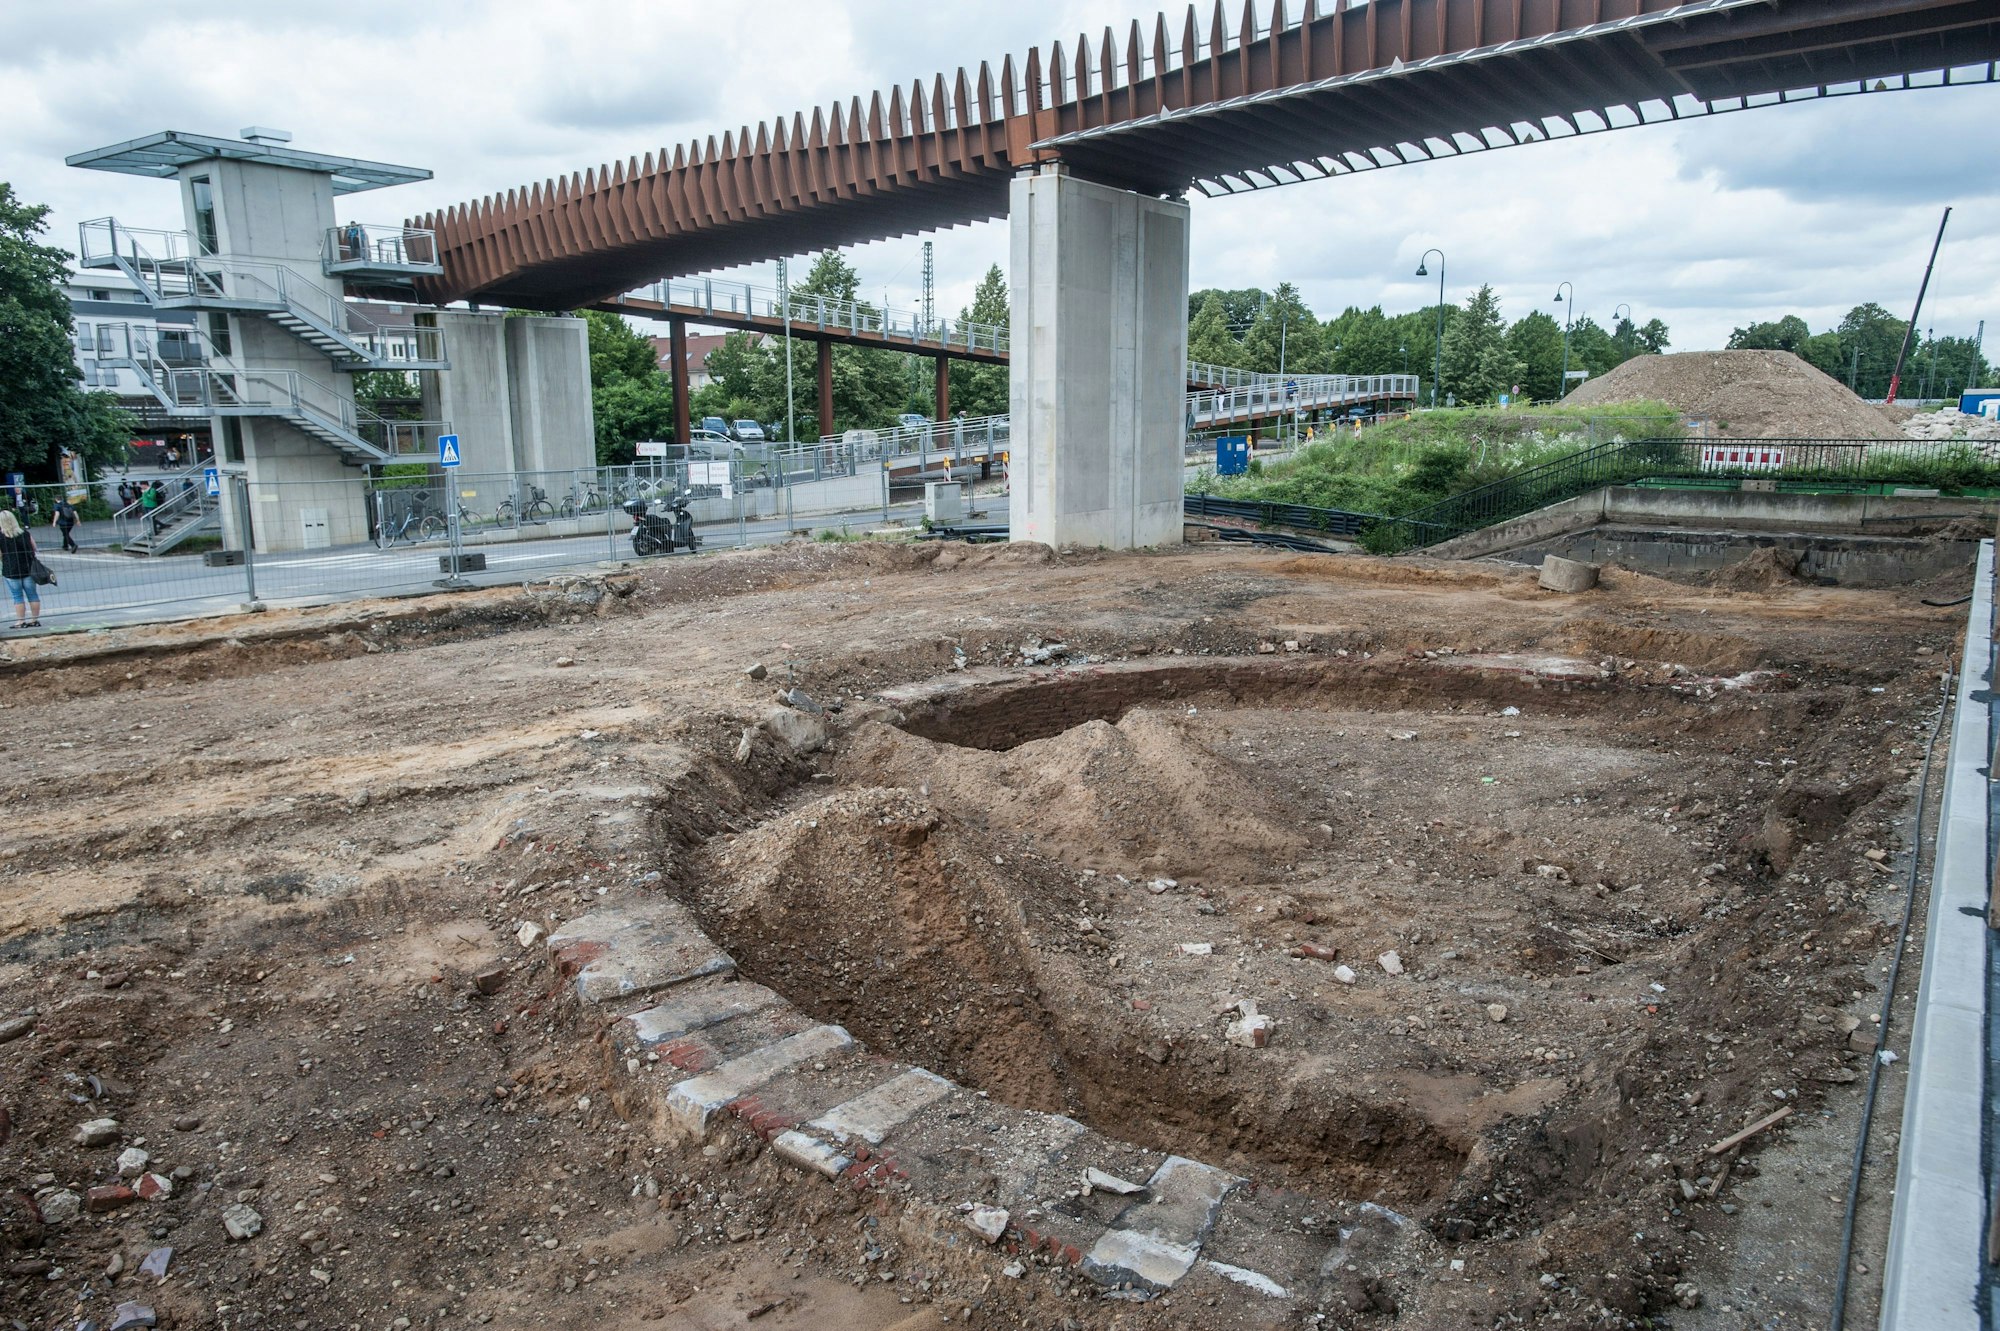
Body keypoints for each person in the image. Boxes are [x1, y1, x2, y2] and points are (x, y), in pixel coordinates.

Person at [0, 510, 41, 630]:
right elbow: (34, 547)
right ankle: (34, 620)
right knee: (32, 595)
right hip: (28, 568)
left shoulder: (1, 537)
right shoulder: (25, 534)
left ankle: (21, 621)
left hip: (11, 570)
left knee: (17, 597)